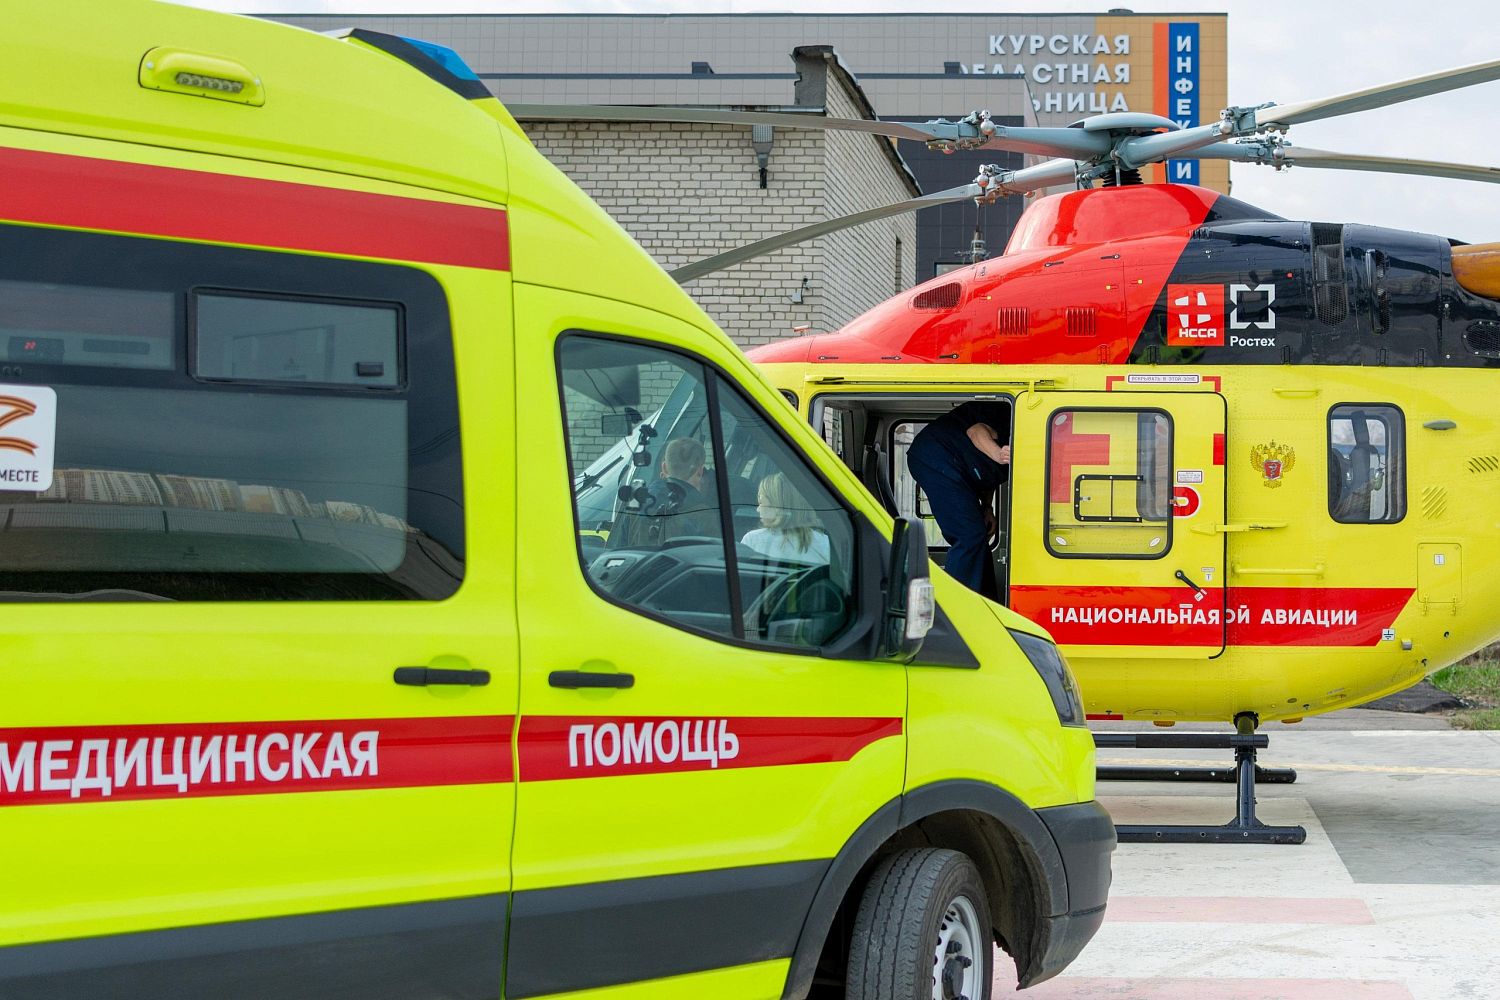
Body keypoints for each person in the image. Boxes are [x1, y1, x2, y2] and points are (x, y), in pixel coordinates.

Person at [904, 401, 1010, 596]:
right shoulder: (1014, 417)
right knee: (969, 536)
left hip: (957, 466)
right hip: (937, 455)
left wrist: (987, 507)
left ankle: (985, 604)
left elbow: (990, 473)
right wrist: (1000, 454)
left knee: (978, 535)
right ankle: (955, 607)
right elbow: (976, 431)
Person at [741, 472, 830, 565]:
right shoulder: (824, 544)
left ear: (777, 505)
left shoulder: (752, 540)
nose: (758, 509)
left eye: (761, 503)